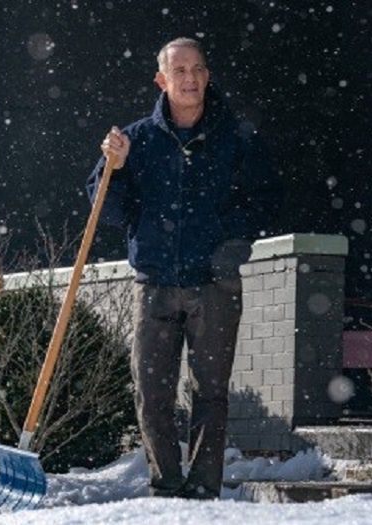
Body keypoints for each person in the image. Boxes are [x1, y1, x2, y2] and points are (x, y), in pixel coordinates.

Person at [87, 37, 281, 499]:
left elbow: (264, 200)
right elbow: (107, 210)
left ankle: (203, 487)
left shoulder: (235, 137)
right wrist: (110, 169)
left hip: (214, 283)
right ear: (162, 80)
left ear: (207, 76)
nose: (190, 79)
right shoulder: (137, 140)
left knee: (210, 393)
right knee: (151, 393)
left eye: (197, 69)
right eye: (180, 71)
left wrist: (230, 245)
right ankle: (166, 483)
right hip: (154, 284)